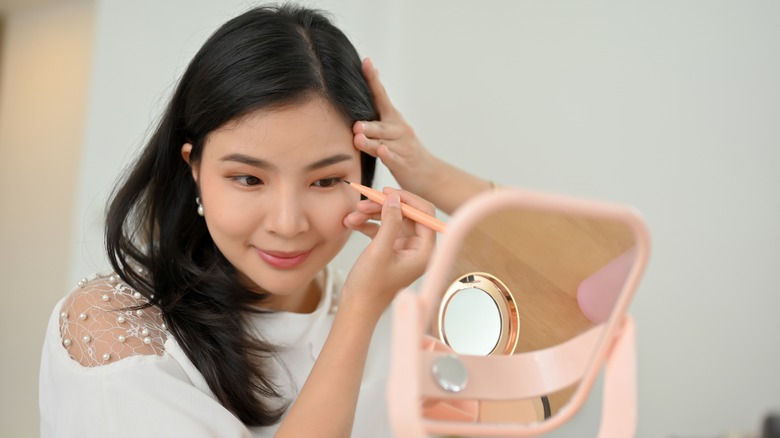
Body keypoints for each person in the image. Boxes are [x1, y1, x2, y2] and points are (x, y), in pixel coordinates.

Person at [39, 4, 493, 437]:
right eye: (248, 179)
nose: (287, 223)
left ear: (365, 179)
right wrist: (360, 313)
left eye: (325, 180)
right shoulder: (113, 329)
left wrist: (433, 175)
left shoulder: (401, 321)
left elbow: (566, 279)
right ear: (194, 168)